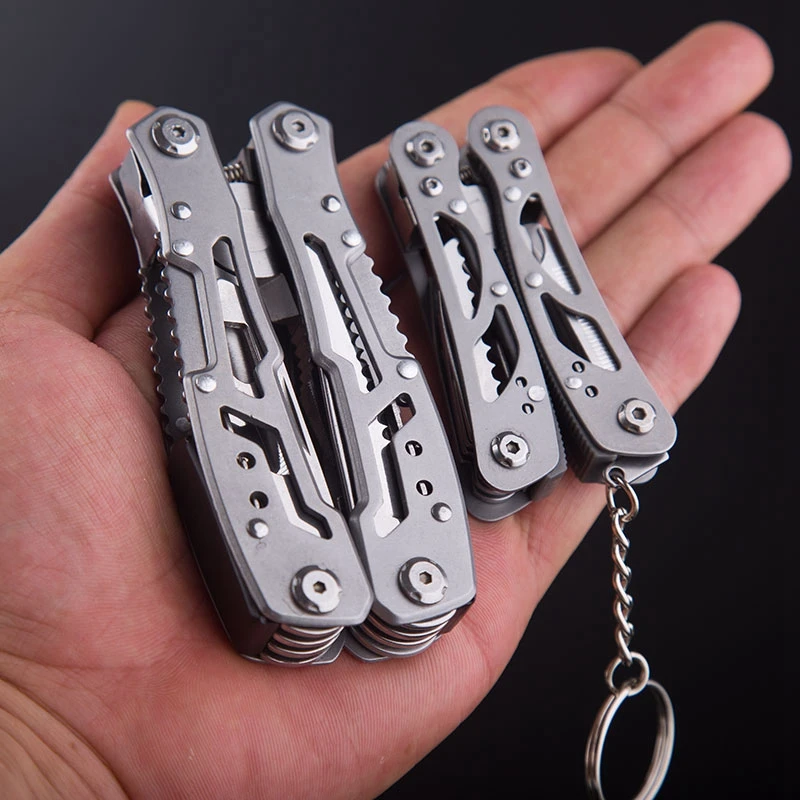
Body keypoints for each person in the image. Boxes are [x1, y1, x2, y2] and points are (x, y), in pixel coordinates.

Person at [0, 21, 789, 799]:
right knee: (327, 351)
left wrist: (43, 742)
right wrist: (37, 726)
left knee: (340, 351)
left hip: (333, 552)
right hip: (300, 566)